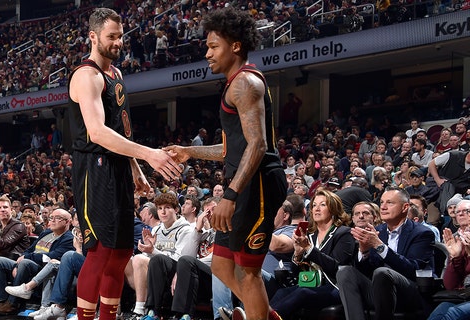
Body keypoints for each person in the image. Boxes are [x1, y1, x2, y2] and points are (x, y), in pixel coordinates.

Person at [164, 7, 288, 320]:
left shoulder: (245, 83)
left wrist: (229, 197)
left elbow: (257, 146)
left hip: (256, 184)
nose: (206, 53)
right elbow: (231, 148)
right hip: (243, 182)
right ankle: (264, 314)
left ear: (235, 45)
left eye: (213, 46)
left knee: (248, 271)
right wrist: (189, 152)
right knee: (220, 265)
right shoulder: (235, 84)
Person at [66, 8, 180, 320]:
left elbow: (119, 131)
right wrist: (149, 154)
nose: (118, 42)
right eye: (111, 37)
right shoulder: (85, 76)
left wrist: (135, 168)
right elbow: (99, 132)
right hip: (93, 168)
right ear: (93, 37)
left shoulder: (116, 75)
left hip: (117, 167)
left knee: (120, 254)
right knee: (100, 253)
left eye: (120, 36)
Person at [336, 187, 435, 319]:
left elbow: (414, 270)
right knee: (345, 272)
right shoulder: (378, 231)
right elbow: (365, 272)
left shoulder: (422, 233)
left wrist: (379, 246)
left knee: (382, 272)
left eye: (390, 203)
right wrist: (364, 251)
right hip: (379, 291)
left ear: (405, 207)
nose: (383, 207)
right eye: (381, 202)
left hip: (409, 292)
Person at [270, 190, 354, 318]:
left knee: (303, 292)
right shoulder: (310, 234)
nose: (317, 209)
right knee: (282, 292)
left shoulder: (344, 233)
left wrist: (309, 248)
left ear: (333, 208)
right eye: (314, 205)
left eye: (322, 205)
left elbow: (336, 267)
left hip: (334, 286)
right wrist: (297, 254)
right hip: (310, 283)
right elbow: (297, 272)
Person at [0, 208, 74, 315]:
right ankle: (2, 301)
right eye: (51, 217)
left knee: (25, 263)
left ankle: (13, 304)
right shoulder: (46, 233)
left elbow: (52, 257)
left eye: (58, 218)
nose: (53, 220)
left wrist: (27, 258)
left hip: (44, 269)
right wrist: (20, 260)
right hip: (28, 262)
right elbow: (29, 250)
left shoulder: (68, 238)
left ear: (67, 222)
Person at [427, 200, 470, 320]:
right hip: (462, 295)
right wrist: (455, 258)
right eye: (458, 212)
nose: (461, 214)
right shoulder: (455, 240)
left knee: (453, 313)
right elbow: (450, 285)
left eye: (466, 211)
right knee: (438, 313)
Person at [428, 150, 470, 217]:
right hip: (439, 192)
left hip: (459, 195)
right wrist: (437, 179)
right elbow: (431, 164)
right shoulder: (452, 155)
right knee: (433, 219)